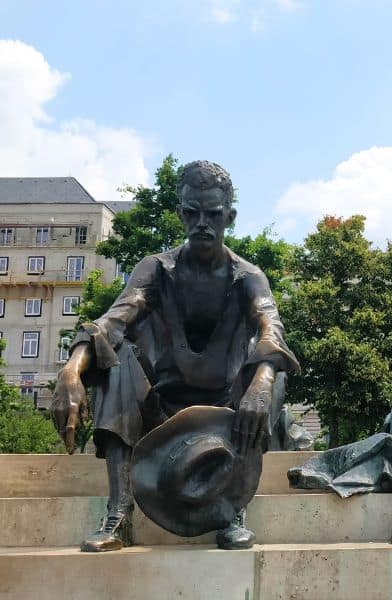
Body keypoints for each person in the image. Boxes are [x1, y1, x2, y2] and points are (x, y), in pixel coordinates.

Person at [51, 160, 300, 551]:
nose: (202, 223)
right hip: (159, 412)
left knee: (271, 373)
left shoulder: (248, 277)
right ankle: (120, 511)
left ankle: (231, 506)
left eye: (213, 214)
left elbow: (271, 326)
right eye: (192, 213)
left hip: (227, 416)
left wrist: (263, 381)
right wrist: (71, 369)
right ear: (180, 213)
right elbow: (114, 321)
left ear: (229, 217)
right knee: (114, 363)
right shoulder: (156, 269)